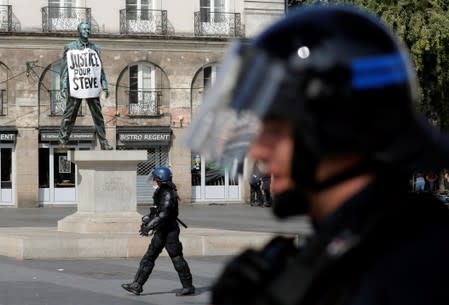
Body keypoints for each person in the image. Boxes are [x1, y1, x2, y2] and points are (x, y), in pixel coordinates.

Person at [184, 4, 449, 305]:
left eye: (274, 129)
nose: (257, 151)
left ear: (336, 129)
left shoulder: (413, 268)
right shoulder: (357, 242)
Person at [121, 166, 195, 296]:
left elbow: (164, 213)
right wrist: (148, 220)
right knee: (149, 257)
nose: (153, 181)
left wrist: (149, 226)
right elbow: (157, 211)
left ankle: (188, 286)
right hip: (162, 230)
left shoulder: (167, 192)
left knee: (177, 258)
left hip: (169, 231)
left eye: (154, 178)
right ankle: (137, 285)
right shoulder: (162, 190)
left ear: (160, 179)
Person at [58, 22, 113, 150]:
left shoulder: (95, 48)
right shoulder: (70, 47)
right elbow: (64, 68)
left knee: (98, 116)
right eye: (84, 29)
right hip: (76, 85)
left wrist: (104, 84)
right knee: (69, 115)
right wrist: (63, 85)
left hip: (91, 86)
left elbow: (99, 68)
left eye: (88, 29)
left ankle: (104, 142)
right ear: (79, 31)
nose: (86, 31)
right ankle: (63, 140)